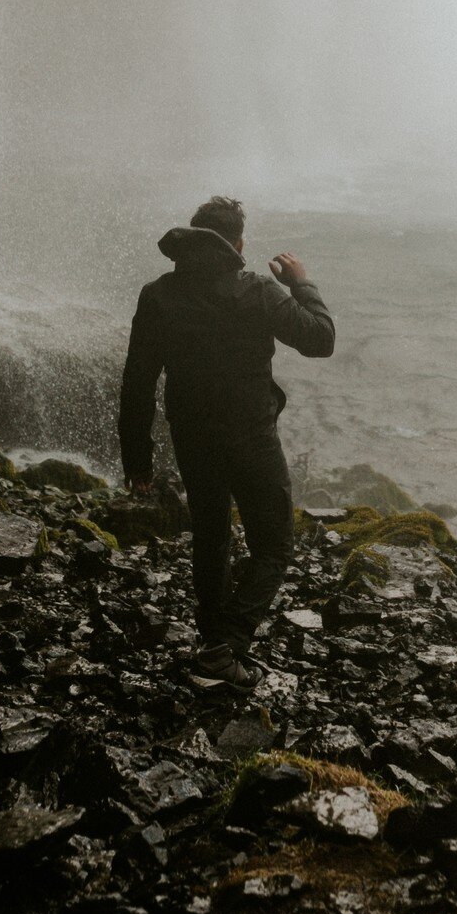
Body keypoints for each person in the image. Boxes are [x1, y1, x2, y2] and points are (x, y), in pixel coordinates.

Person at [118, 194, 336, 685]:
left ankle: (214, 643)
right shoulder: (258, 291)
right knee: (275, 548)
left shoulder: (158, 296)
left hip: (191, 437)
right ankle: (225, 646)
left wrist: (138, 461)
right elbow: (321, 339)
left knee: (212, 537)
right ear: (238, 243)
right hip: (252, 440)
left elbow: (137, 384)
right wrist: (301, 283)